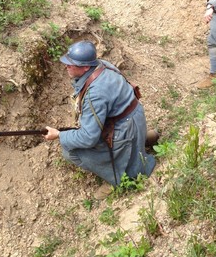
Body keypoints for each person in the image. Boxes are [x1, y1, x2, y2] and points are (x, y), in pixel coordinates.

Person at [44, 41, 156, 195]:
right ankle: (141, 141)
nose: (66, 67)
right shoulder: (102, 65)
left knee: (70, 151)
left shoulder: (95, 93)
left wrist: (59, 135)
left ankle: (115, 177)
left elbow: (88, 138)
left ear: (85, 67)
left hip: (126, 128)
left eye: (72, 64)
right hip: (135, 117)